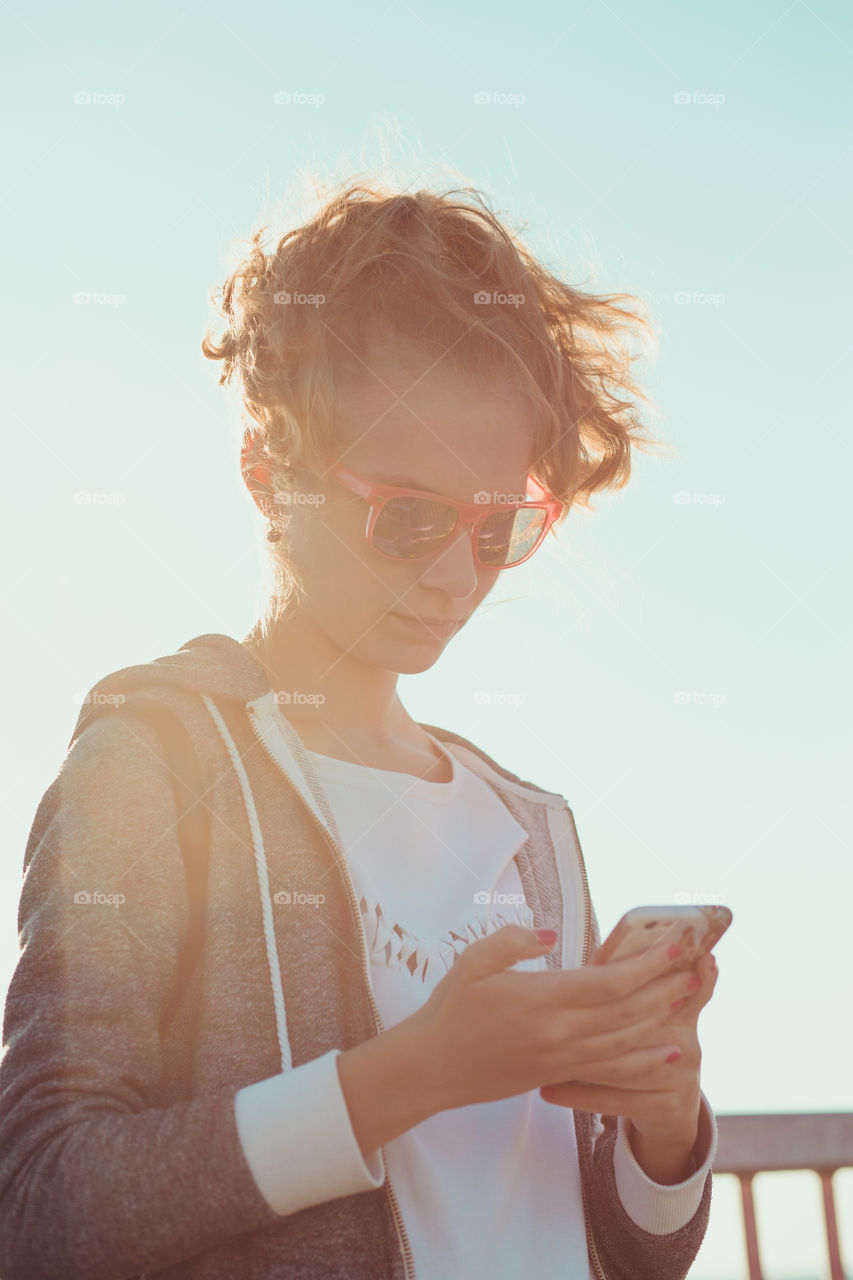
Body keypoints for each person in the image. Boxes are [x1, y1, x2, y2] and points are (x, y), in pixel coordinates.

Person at [0, 180, 719, 1280]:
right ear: (266, 470)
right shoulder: (154, 762)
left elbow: (631, 1249)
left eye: (500, 528)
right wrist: (408, 1076)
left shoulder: (531, 827)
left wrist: (665, 1118)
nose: (451, 576)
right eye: (410, 517)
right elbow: (43, 1207)